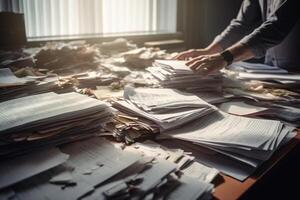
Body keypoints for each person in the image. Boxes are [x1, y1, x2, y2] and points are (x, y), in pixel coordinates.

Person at [175, 0, 300, 75]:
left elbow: (276, 26)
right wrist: (209, 51)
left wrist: (226, 57)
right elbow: (241, 24)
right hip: (275, 71)